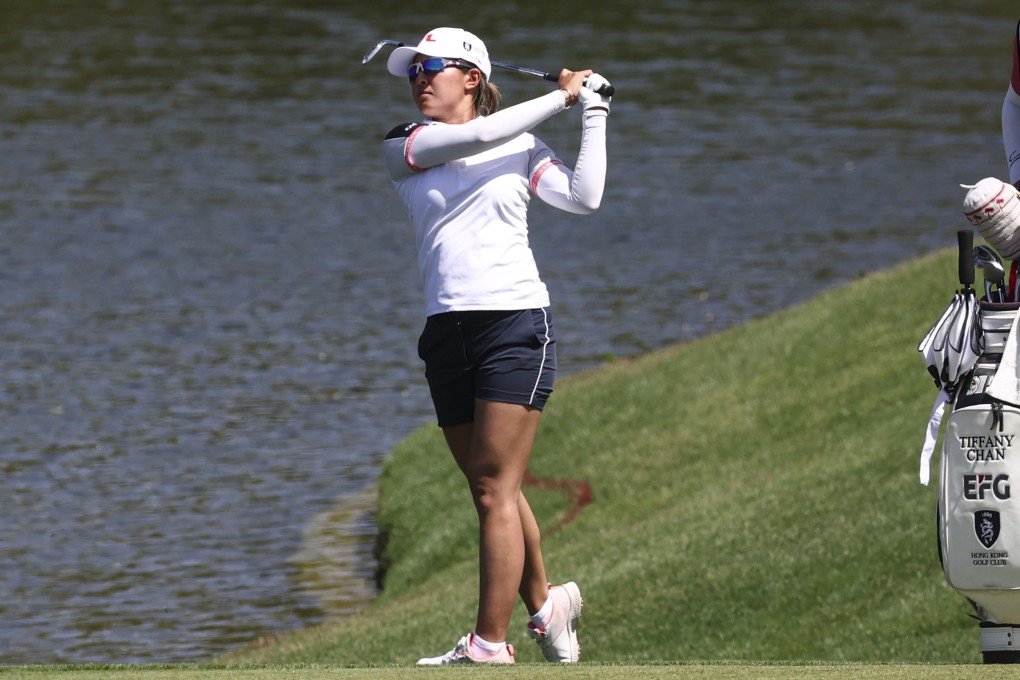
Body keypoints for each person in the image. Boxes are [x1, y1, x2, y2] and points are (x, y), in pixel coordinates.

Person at [379, 27, 611, 665]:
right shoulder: (406, 144)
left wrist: (593, 112)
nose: (419, 79)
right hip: (445, 331)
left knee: (492, 488)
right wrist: (563, 98)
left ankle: (490, 644)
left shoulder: (525, 147)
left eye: (431, 68)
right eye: (413, 72)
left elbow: (584, 198)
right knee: (494, 489)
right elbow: (481, 135)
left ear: (472, 78)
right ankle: (548, 606)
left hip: (514, 325)